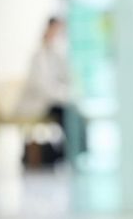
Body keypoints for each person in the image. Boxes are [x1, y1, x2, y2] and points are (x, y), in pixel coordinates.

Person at [14, 17, 84, 164]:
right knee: (65, 113)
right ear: (48, 30)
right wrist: (63, 94)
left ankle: (79, 152)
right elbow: (42, 88)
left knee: (75, 113)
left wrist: (66, 93)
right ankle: (73, 153)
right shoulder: (38, 56)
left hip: (54, 101)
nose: (58, 34)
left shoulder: (58, 54)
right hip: (37, 104)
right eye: (56, 30)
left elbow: (69, 79)